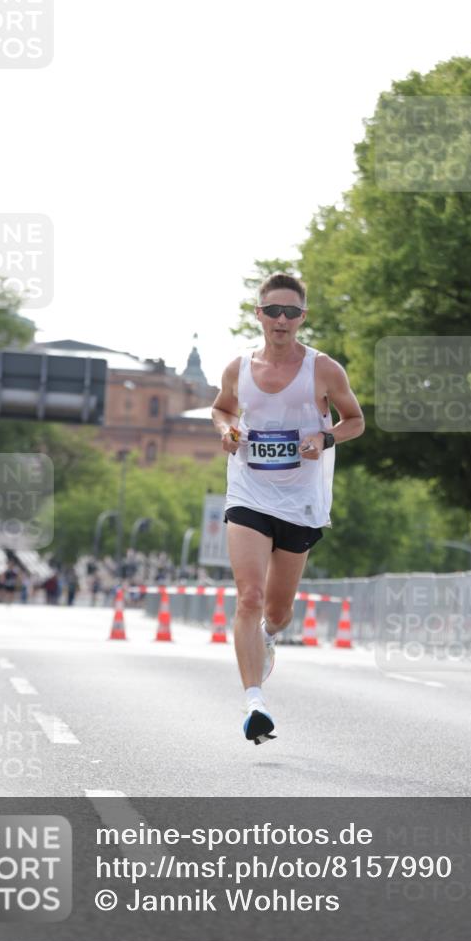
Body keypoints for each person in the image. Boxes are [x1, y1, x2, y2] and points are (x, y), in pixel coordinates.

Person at [211, 273, 365, 745]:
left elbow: (355, 420)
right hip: (249, 492)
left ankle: (271, 639)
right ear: (257, 315)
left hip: (300, 500)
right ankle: (254, 700)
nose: (281, 320)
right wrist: (226, 431)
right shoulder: (238, 367)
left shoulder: (323, 370)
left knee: (276, 612)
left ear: (302, 317)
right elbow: (221, 409)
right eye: (272, 311)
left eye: (291, 312)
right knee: (249, 598)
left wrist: (325, 436)